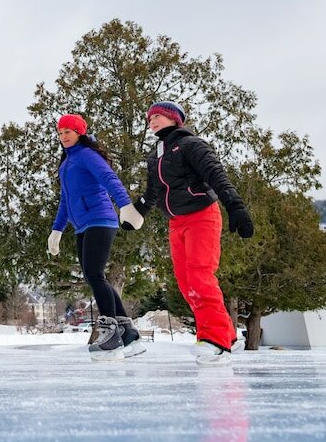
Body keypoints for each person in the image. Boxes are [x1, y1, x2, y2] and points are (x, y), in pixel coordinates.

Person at [120, 101, 254, 364]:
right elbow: (153, 194)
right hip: (176, 221)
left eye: (158, 116)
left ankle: (214, 340)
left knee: (200, 275)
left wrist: (235, 206)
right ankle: (228, 335)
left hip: (202, 215)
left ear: (174, 118)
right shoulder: (155, 156)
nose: (152, 121)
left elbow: (216, 175)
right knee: (185, 281)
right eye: (149, 118)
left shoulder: (192, 145)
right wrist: (138, 213)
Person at [48, 113, 145, 360]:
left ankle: (110, 334)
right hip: (83, 225)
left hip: (100, 219)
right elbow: (65, 201)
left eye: (67, 132)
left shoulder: (87, 156)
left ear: (79, 132)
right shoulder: (67, 163)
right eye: (60, 133)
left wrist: (125, 205)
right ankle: (127, 333)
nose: (63, 137)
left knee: (94, 273)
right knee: (95, 276)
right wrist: (57, 229)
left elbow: (109, 178)